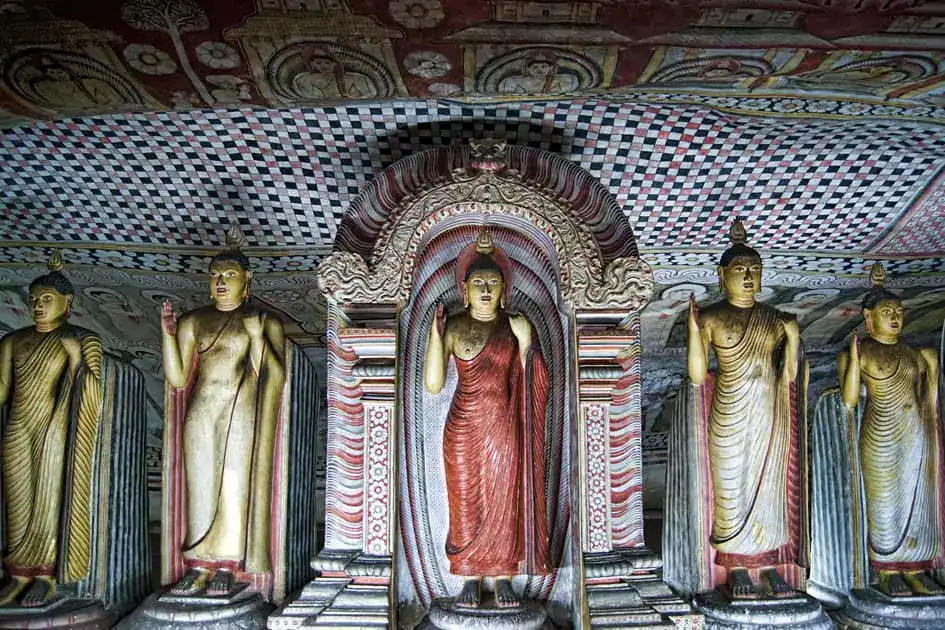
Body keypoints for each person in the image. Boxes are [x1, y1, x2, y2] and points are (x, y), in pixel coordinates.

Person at [424, 228, 550, 608]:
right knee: (464, 499)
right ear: (464, 289)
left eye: (492, 283)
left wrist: (527, 342)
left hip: (503, 427)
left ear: (503, 290)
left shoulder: (513, 326)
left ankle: (503, 575)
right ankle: (468, 574)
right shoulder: (456, 326)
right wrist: (435, 334)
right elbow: (433, 384)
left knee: (503, 498)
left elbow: (538, 379)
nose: (484, 289)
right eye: (477, 282)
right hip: (462, 425)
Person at [161, 229, 285, 595]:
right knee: (199, 484)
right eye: (215, 276)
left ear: (247, 281)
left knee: (233, 483)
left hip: (240, 408)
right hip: (202, 406)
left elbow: (273, 375)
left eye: (229, 276)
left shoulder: (263, 322)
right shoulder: (194, 321)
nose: (220, 283)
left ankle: (228, 565)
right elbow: (179, 377)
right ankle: (198, 563)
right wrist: (168, 336)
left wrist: (257, 337)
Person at [687, 219, 803, 598]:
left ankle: (769, 566)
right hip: (730, 413)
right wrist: (693, 330)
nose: (749, 277)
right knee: (732, 487)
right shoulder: (714, 317)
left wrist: (794, 337)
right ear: (722, 276)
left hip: (769, 412)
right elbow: (697, 375)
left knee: (769, 490)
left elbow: (789, 376)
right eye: (740, 270)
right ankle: (736, 565)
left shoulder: (773, 318)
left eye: (755, 269)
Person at [0, 252, 102, 607]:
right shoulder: (13, 342)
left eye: (46, 299)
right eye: (33, 300)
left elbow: (93, 392)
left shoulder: (81, 338)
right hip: (19, 426)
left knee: (48, 498)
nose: (38, 305)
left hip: (54, 428)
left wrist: (75, 357)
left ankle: (44, 575)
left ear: (67, 302)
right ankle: (16, 573)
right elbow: (2, 392)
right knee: (17, 501)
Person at [839, 264, 944, 596]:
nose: (896, 317)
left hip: (915, 434)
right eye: (887, 312)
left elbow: (931, 401)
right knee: (884, 502)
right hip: (879, 435)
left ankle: (916, 568)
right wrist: (854, 360)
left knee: (918, 500)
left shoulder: (916, 353)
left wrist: (933, 366)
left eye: (899, 312)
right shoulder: (860, 351)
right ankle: (887, 571)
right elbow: (850, 400)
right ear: (869, 318)